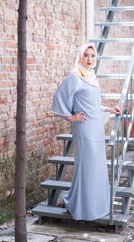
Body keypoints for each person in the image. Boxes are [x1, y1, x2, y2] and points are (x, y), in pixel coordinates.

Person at [52, 43, 121, 221]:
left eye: (92, 56)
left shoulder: (92, 77)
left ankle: (96, 206)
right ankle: (84, 208)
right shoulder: (74, 76)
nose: (90, 59)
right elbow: (58, 98)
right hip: (84, 128)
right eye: (86, 55)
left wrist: (108, 109)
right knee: (87, 166)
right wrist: (70, 117)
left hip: (96, 127)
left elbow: (92, 105)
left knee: (97, 166)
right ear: (80, 57)